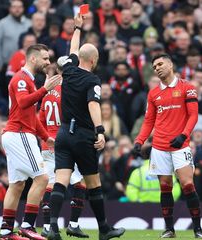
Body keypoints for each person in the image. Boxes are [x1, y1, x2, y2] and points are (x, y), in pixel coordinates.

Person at [47, 13, 125, 240]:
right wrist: (100, 130)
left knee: (61, 181)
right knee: (93, 183)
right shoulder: (92, 81)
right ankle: (104, 229)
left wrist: (77, 28)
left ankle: (52, 227)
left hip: (63, 135)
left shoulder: (68, 69)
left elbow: (73, 48)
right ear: (93, 60)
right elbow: (93, 104)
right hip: (82, 135)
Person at [133, 53, 202, 238]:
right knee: (165, 186)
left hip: (180, 146)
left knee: (187, 184)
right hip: (159, 147)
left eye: (160, 64)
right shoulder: (153, 93)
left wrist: (183, 136)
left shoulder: (187, 88)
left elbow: (193, 116)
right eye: (154, 66)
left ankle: (197, 229)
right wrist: (139, 141)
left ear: (170, 64)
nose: (157, 68)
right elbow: (149, 121)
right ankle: (169, 229)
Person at [0, 44, 61, 240]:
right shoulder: (22, 79)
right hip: (19, 135)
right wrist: (45, 89)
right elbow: (25, 102)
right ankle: (28, 226)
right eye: (44, 58)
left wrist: (45, 137)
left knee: (16, 184)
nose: (48, 62)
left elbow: (31, 116)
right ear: (33, 59)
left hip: (18, 133)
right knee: (42, 178)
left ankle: (6, 232)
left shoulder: (28, 80)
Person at [38, 57, 89, 238]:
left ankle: (46, 227)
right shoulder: (70, 91)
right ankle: (73, 224)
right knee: (80, 183)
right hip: (65, 142)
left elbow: (40, 120)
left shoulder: (47, 93)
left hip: (47, 143)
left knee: (51, 184)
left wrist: (45, 137)